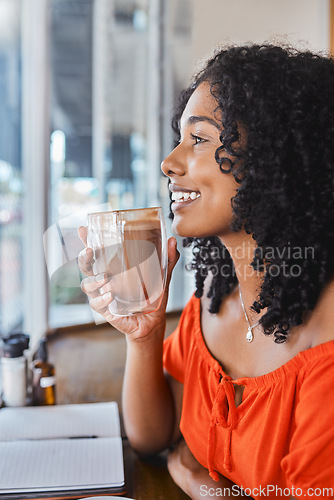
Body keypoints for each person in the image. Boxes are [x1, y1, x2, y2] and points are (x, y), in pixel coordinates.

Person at [78, 43, 334, 499]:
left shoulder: (327, 340)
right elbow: (152, 437)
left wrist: (208, 491)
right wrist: (144, 334)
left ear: (275, 156)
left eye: (198, 139)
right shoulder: (216, 300)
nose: (168, 163)